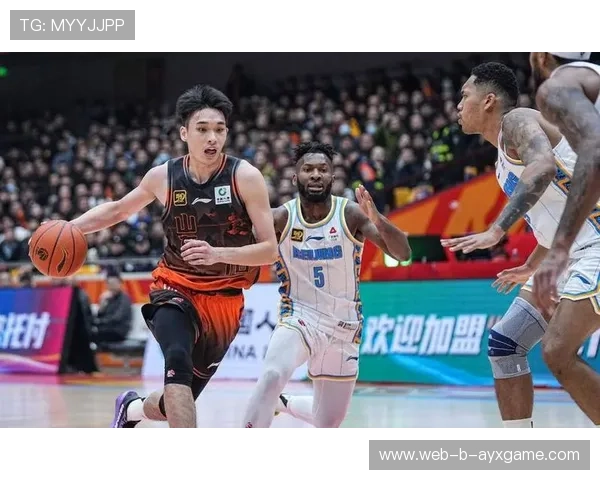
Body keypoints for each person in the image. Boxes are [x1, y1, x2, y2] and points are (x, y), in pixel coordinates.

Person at [63, 84, 278, 429]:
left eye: (219, 129)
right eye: (202, 129)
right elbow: (118, 210)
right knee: (176, 360)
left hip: (224, 302)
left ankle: (131, 408)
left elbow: (269, 250)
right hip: (174, 287)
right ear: (184, 133)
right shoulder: (163, 176)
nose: (212, 138)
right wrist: (68, 226)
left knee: (178, 399)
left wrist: (217, 253)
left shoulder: (245, 177)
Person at [440, 62, 574, 431]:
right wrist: (532, 264)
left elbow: (543, 167)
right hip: (567, 254)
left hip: (592, 245)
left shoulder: (518, 120)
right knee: (506, 342)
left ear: (488, 101)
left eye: (465, 96)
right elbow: (556, 218)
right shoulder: (501, 160)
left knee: (560, 353)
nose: (458, 105)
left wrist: (497, 229)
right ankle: (519, 447)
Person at [241, 141, 411, 429]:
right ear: (295, 177)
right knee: (272, 375)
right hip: (299, 316)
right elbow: (245, 250)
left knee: (327, 422)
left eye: (322, 169)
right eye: (308, 169)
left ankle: (283, 403)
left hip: (344, 325)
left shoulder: (350, 213)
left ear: (333, 176)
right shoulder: (281, 217)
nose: (316, 174)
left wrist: (378, 218)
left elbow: (403, 253)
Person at [527, 51, 600, 429]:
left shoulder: (558, 85)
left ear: (541, 55)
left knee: (557, 349)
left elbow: (595, 149)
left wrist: (558, 250)